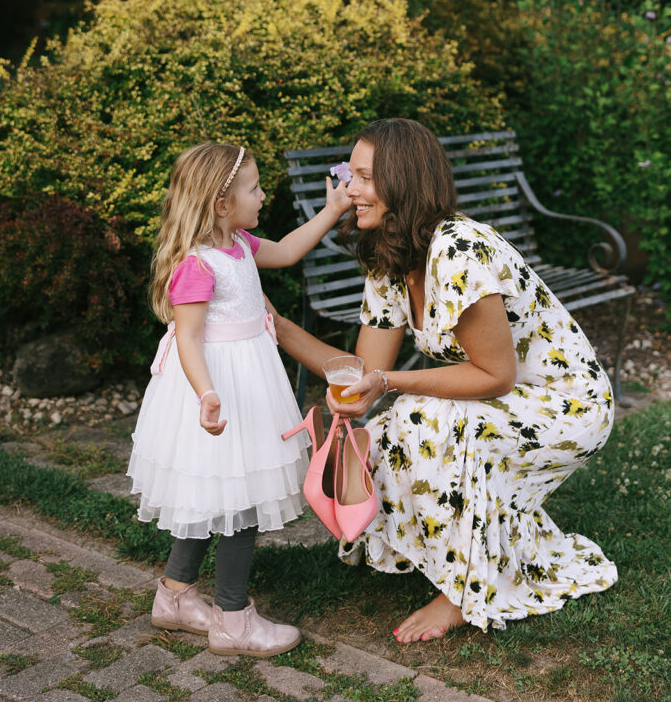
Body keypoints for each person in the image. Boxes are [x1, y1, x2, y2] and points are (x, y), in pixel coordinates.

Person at [271, 118, 618, 642]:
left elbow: (496, 375)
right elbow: (364, 373)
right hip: (508, 399)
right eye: (350, 176)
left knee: (422, 421)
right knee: (389, 430)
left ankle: (462, 593)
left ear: (403, 181)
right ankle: (469, 553)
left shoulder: (459, 248)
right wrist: (273, 325)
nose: (351, 190)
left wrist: (390, 383)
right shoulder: (391, 256)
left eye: (364, 178)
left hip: (566, 405)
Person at [127, 142, 350, 657]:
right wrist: (207, 393)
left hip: (250, 382)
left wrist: (332, 210)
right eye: (254, 188)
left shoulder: (240, 245)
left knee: (217, 495)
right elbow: (187, 337)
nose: (263, 195)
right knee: (239, 499)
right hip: (220, 391)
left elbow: (290, 250)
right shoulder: (198, 265)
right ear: (221, 204)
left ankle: (176, 596)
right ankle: (232, 620)